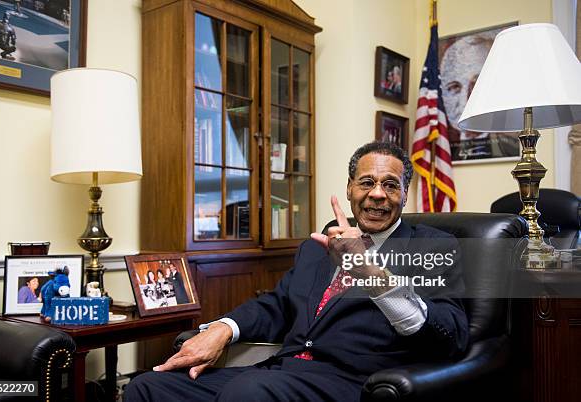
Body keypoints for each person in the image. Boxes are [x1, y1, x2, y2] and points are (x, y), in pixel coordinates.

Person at [124, 141, 469, 402]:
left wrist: (369, 271)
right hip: (282, 371)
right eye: (366, 183)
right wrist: (222, 329)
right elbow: (277, 305)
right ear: (350, 189)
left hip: (355, 381)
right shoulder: (317, 246)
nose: (377, 194)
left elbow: (451, 335)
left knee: (249, 391)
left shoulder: (434, 247)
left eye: (390, 185)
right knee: (149, 388)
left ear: (405, 194)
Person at [440, 33, 518, 161]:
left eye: (476, 86)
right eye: (454, 87)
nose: (465, 101)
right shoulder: (439, 158)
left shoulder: (512, 146)